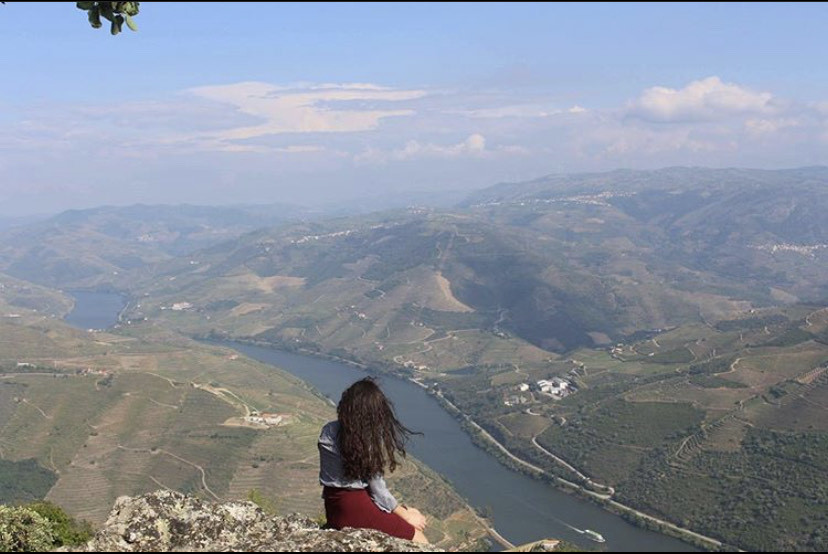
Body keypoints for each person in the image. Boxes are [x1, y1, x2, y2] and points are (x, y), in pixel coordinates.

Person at [318, 377, 428, 544]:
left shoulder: (328, 431)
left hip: (333, 508)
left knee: (408, 511)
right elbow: (377, 489)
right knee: (420, 540)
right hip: (357, 509)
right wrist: (407, 516)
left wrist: (405, 511)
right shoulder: (366, 442)